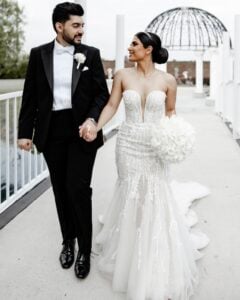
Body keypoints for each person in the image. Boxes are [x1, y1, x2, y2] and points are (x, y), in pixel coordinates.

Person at [81, 32, 209, 299]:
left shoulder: (168, 80)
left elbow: (171, 113)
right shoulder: (122, 75)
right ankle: (129, 248)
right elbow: (113, 104)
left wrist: (174, 137)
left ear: (148, 49)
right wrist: (95, 124)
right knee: (131, 192)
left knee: (154, 193)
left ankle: (151, 250)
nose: (129, 48)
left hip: (155, 145)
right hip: (128, 144)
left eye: (134, 44)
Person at [17, 2, 109, 279]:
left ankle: (84, 250)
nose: (81, 29)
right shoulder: (38, 55)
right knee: (60, 189)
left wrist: (93, 120)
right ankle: (67, 241)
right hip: (51, 131)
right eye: (76, 25)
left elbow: (101, 95)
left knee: (78, 189)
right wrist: (24, 132)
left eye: (82, 25)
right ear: (60, 26)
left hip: (82, 131)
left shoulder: (90, 55)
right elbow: (30, 96)